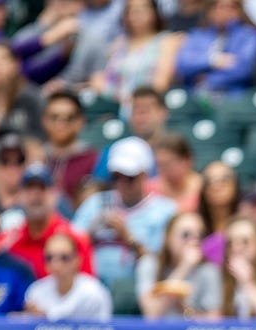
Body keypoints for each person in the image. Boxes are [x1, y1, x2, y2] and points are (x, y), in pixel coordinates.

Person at [72, 136, 178, 294]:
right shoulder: (95, 204)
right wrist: (89, 233)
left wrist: (128, 237)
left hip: (138, 292)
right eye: (116, 176)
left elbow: (163, 265)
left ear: (145, 174)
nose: (122, 183)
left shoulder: (165, 211)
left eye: (129, 178)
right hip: (91, 289)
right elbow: (67, 245)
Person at [0, 162, 96, 279]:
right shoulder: (7, 242)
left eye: (42, 188)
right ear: (19, 195)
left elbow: (88, 287)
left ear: (55, 195)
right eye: (29, 188)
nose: (36, 195)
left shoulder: (76, 239)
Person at [90, 0, 183, 107]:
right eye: (131, 9)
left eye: (143, 8)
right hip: (115, 106)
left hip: (148, 107)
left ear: (155, 12)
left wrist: (131, 100)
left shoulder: (167, 41)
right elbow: (100, 80)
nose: (137, 13)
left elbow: (161, 83)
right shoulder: (118, 44)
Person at [174, 0, 256, 94]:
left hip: (234, 97)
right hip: (197, 97)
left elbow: (245, 69)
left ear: (240, 10)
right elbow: (183, 64)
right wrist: (213, 60)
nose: (223, 11)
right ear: (209, 10)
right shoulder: (197, 35)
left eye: (230, 6)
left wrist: (208, 80)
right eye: (218, 6)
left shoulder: (250, 36)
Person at [137, 210, 223, 319]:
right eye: (186, 234)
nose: (194, 240)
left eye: (200, 235)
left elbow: (214, 322)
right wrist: (184, 267)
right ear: (167, 238)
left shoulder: (208, 270)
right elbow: (151, 314)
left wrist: (186, 310)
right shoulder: (149, 263)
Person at [21, 232, 114, 321]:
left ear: (78, 260)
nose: (56, 264)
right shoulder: (36, 291)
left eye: (64, 258)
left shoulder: (94, 293)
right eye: (49, 258)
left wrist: (46, 317)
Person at [41, 90, 100, 210]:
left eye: (69, 118)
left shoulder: (92, 159)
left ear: (80, 122)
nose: (60, 123)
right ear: (45, 120)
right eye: (54, 117)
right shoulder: (36, 158)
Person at [148, 132, 202, 212]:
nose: (162, 169)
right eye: (159, 164)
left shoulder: (203, 189)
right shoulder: (149, 191)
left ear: (186, 161)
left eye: (167, 164)